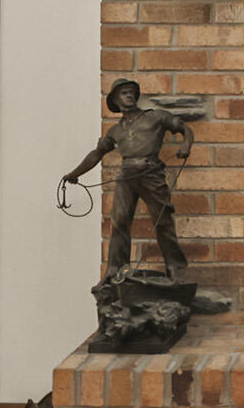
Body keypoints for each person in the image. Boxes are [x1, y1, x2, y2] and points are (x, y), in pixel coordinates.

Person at [59, 78, 200, 276]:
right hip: (126, 177)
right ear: (116, 100)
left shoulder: (155, 117)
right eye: (124, 93)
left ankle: (176, 268)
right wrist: (74, 174)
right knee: (119, 221)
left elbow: (185, 129)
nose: (129, 95)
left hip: (151, 173)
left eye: (131, 92)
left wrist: (186, 145)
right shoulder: (115, 131)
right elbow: (96, 154)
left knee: (162, 221)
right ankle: (115, 271)